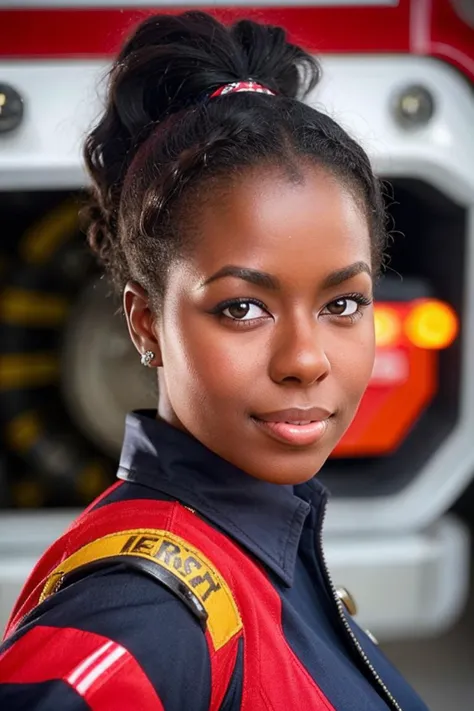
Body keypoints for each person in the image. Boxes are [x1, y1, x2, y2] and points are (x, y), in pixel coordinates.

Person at [0, 11, 430, 711]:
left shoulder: (269, 552)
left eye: (343, 303)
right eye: (242, 307)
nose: (305, 359)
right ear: (147, 323)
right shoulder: (137, 622)